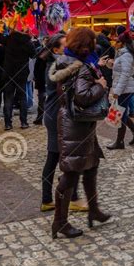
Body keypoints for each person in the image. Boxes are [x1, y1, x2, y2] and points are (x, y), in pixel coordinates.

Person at [51, 27, 111, 239]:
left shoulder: (67, 62)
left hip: (76, 123)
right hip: (76, 125)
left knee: (92, 164)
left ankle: (93, 209)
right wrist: (101, 86)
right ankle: (60, 221)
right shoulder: (82, 67)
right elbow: (82, 97)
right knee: (71, 173)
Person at [40, 33, 87, 213]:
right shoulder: (55, 66)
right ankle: (72, 198)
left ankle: (47, 199)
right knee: (64, 157)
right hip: (55, 116)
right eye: (65, 45)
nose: (68, 48)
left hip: (56, 114)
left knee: (57, 157)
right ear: (56, 50)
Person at [107, 32, 134, 150]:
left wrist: (117, 91)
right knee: (122, 113)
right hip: (123, 88)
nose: (114, 43)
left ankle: (120, 142)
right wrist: (110, 64)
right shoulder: (121, 54)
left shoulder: (126, 55)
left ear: (122, 43)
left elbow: (125, 74)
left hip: (125, 89)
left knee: (120, 115)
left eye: (117, 41)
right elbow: (119, 70)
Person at [2, 28, 37, 130]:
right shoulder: (27, 41)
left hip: (9, 72)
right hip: (21, 73)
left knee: (8, 98)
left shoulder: (9, 39)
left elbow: (0, 39)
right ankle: (24, 122)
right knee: (22, 98)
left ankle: (8, 124)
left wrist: (1, 31)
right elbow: (34, 55)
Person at [33, 40, 48, 125]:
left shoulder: (41, 52)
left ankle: (39, 118)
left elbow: (36, 67)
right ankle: (40, 118)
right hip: (45, 80)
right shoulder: (57, 53)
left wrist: (36, 77)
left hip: (42, 80)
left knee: (41, 100)